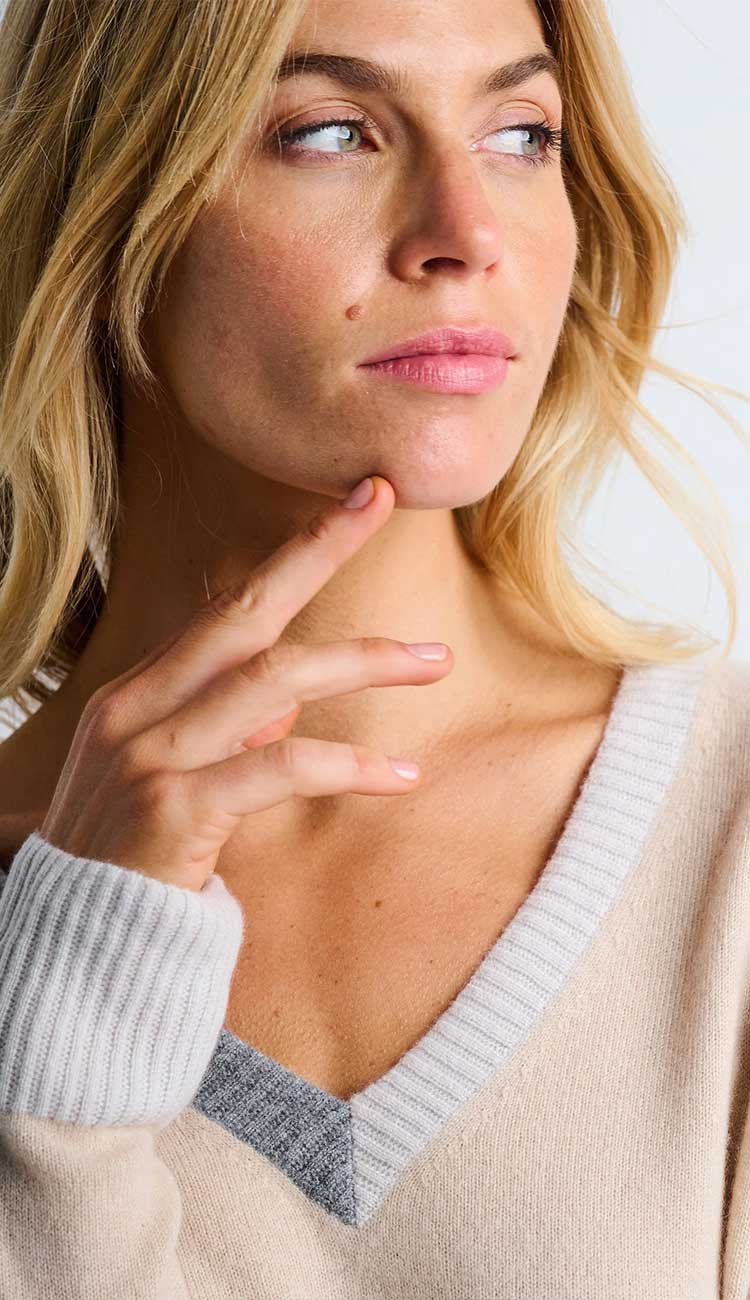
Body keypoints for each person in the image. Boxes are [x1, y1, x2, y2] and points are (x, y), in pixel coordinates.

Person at [0, 0, 747, 1294]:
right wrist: (54, 1071)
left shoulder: (726, 829)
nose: (466, 236)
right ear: (109, 204)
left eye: (521, 134)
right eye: (330, 131)